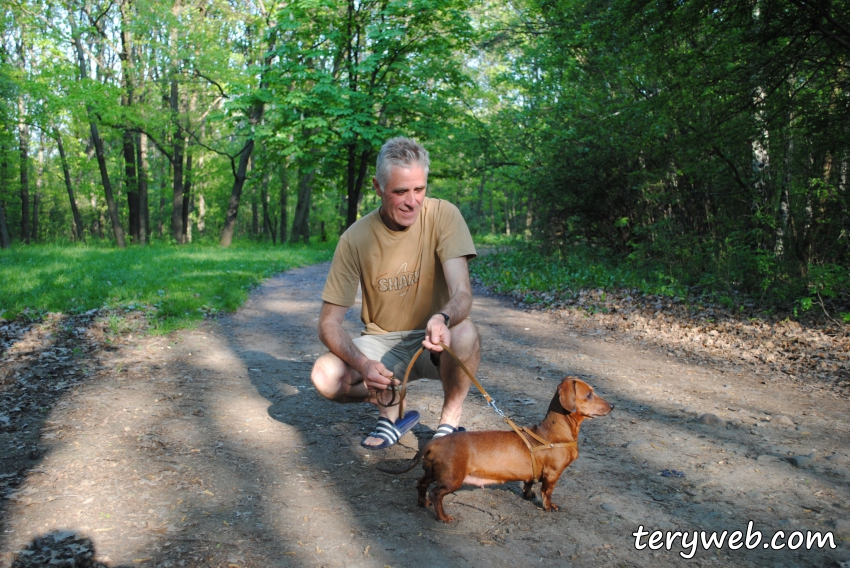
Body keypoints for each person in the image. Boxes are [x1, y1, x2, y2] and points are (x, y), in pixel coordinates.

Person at [310, 137, 480, 449]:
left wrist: (442, 317)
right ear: (377, 187)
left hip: (436, 340)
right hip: (382, 344)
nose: (412, 201)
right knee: (324, 375)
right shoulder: (354, 239)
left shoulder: (445, 216)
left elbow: (462, 293)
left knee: (466, 331)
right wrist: (363, 365)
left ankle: (449, 423)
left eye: (419, 189)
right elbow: (328, 323)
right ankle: (391, 407)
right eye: (400, 191)